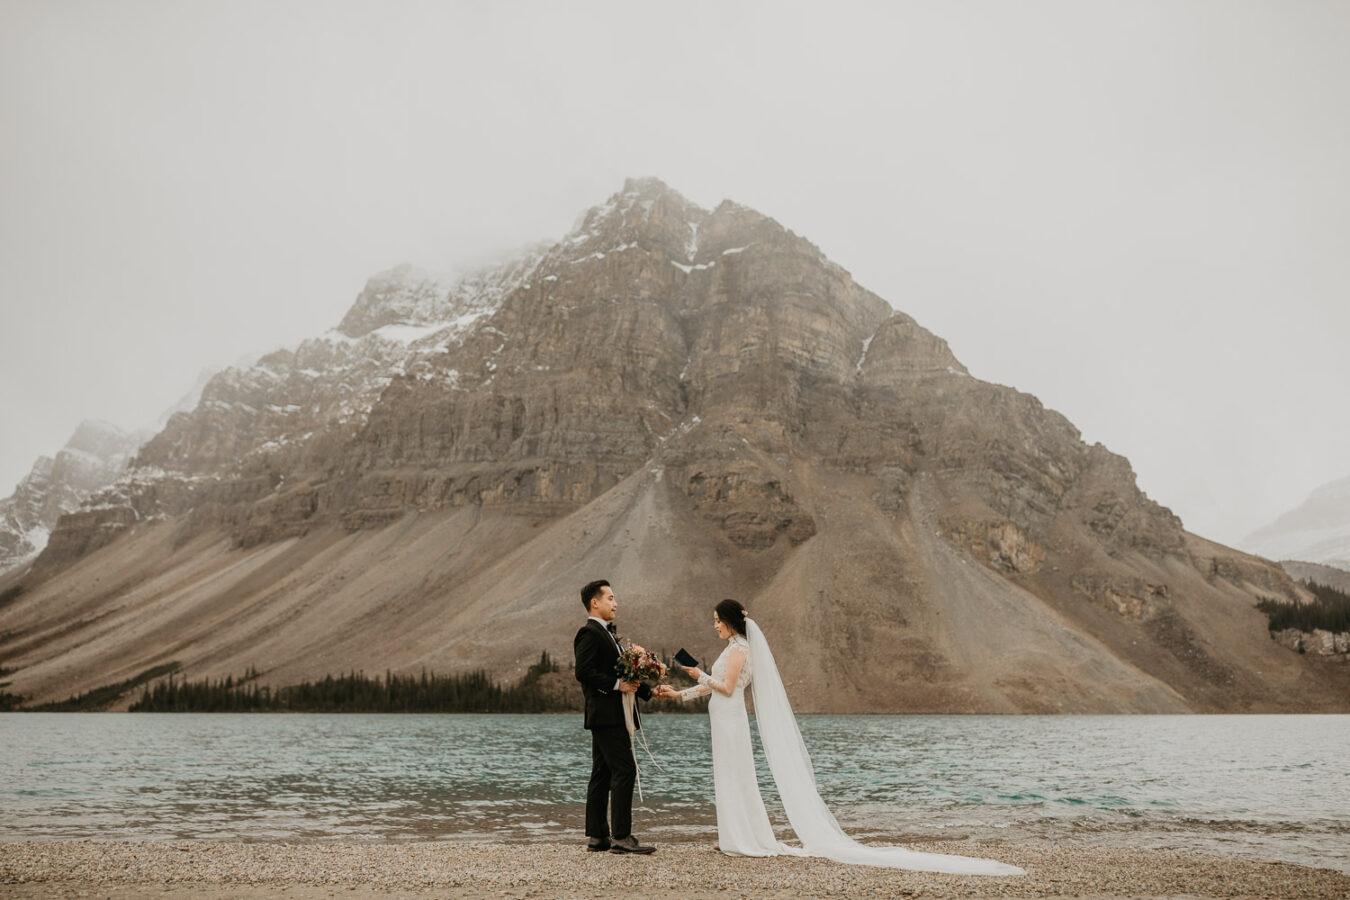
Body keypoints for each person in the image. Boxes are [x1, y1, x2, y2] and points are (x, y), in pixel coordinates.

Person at [654, 600, 1024, 876]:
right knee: (727, 776)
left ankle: (742, 839)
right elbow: (715, 692)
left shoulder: (739, 650)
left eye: (717, 621)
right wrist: (679, 694)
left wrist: (697, 673)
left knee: (737, 776)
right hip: (722, 718)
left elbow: (728, 687)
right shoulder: (731, 648)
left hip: (731, 720)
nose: (713, 625)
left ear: (731, 622)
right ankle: (734, 835)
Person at [574, 579, 656, 855]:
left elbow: (624, 675)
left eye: (614, 598)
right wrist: (615, 685)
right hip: (607, 714)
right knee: (625, 770)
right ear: (594, 603)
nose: (615, 603)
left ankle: (598, 837)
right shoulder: (588, 634)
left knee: (602, 773)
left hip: (608, 714)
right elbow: (583, 672)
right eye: (610, 598)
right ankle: (621, 836)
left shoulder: (607, 634)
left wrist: (651, 691)